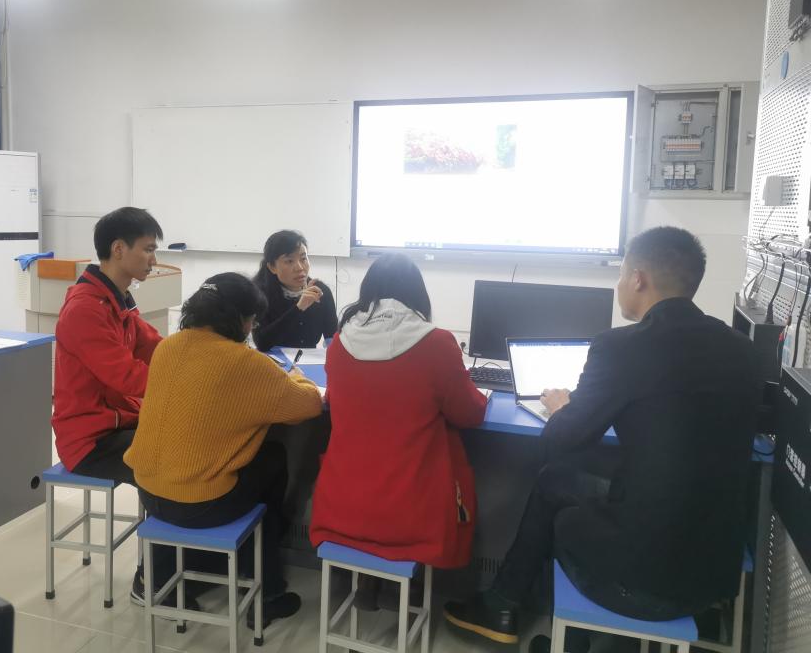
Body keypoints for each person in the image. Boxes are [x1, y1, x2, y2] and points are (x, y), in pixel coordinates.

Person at [443, 227, 760, 650]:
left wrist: (563, 408)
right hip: (711, 579)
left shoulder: (622, 347)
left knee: (555, 481)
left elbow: (559, 441)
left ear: (638, 279)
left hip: (641, 579)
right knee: (571, 480)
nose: (618, 284)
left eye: (621, 274)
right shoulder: (743, 350)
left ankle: (506, 605)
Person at [126, 272, 324, 624]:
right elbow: (309, 404)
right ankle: (266, 590)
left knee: (241, 462)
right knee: (273, 458)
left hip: (148, 492)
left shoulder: (168, 347)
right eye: (251, 319)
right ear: (239, 319)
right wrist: (294, 373)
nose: (251, 328)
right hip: (199, 504)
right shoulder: (243, 363)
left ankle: (162, 577)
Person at [310, 254, 488, 609]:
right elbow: (470, 413)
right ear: (418, 293)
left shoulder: (340, 343)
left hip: (342, 507)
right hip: (412, 514)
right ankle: (408, 584)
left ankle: (369, 580)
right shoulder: (437, 343)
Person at [51, 206, 163, 483]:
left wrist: (200, 360)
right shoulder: (84, 309)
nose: (154, 259)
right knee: (183, 459)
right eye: (148, 249)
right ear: (118, 249)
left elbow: (157, 348)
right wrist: (186, 385)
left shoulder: (116, 301)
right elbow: (127, 377)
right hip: (90, 442)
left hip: (122, 421)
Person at [252, 230, 337, 351]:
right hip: (272, 359)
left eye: (303, 258)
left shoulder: (320, 291)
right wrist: (299, 307)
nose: (299, 267)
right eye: (289, 261)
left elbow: (332, 337)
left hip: (309, 359)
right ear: (272, 267)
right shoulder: (260, 294)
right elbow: (262, 343)